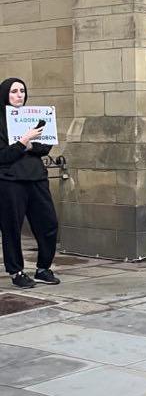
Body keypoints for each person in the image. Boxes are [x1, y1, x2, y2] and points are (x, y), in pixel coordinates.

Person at [0, 78, 59, 288]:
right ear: (5, 94)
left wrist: (27, 145)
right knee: (12, 228)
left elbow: (45, 146)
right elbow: (3, 155)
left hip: (36, 178)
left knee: (49, 223)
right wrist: (23, 143)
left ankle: (43, 268)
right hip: (10, 181)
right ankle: (16, 271)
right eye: (14, 91)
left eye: (22, 91)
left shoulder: (35, 117)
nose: (19, 95)